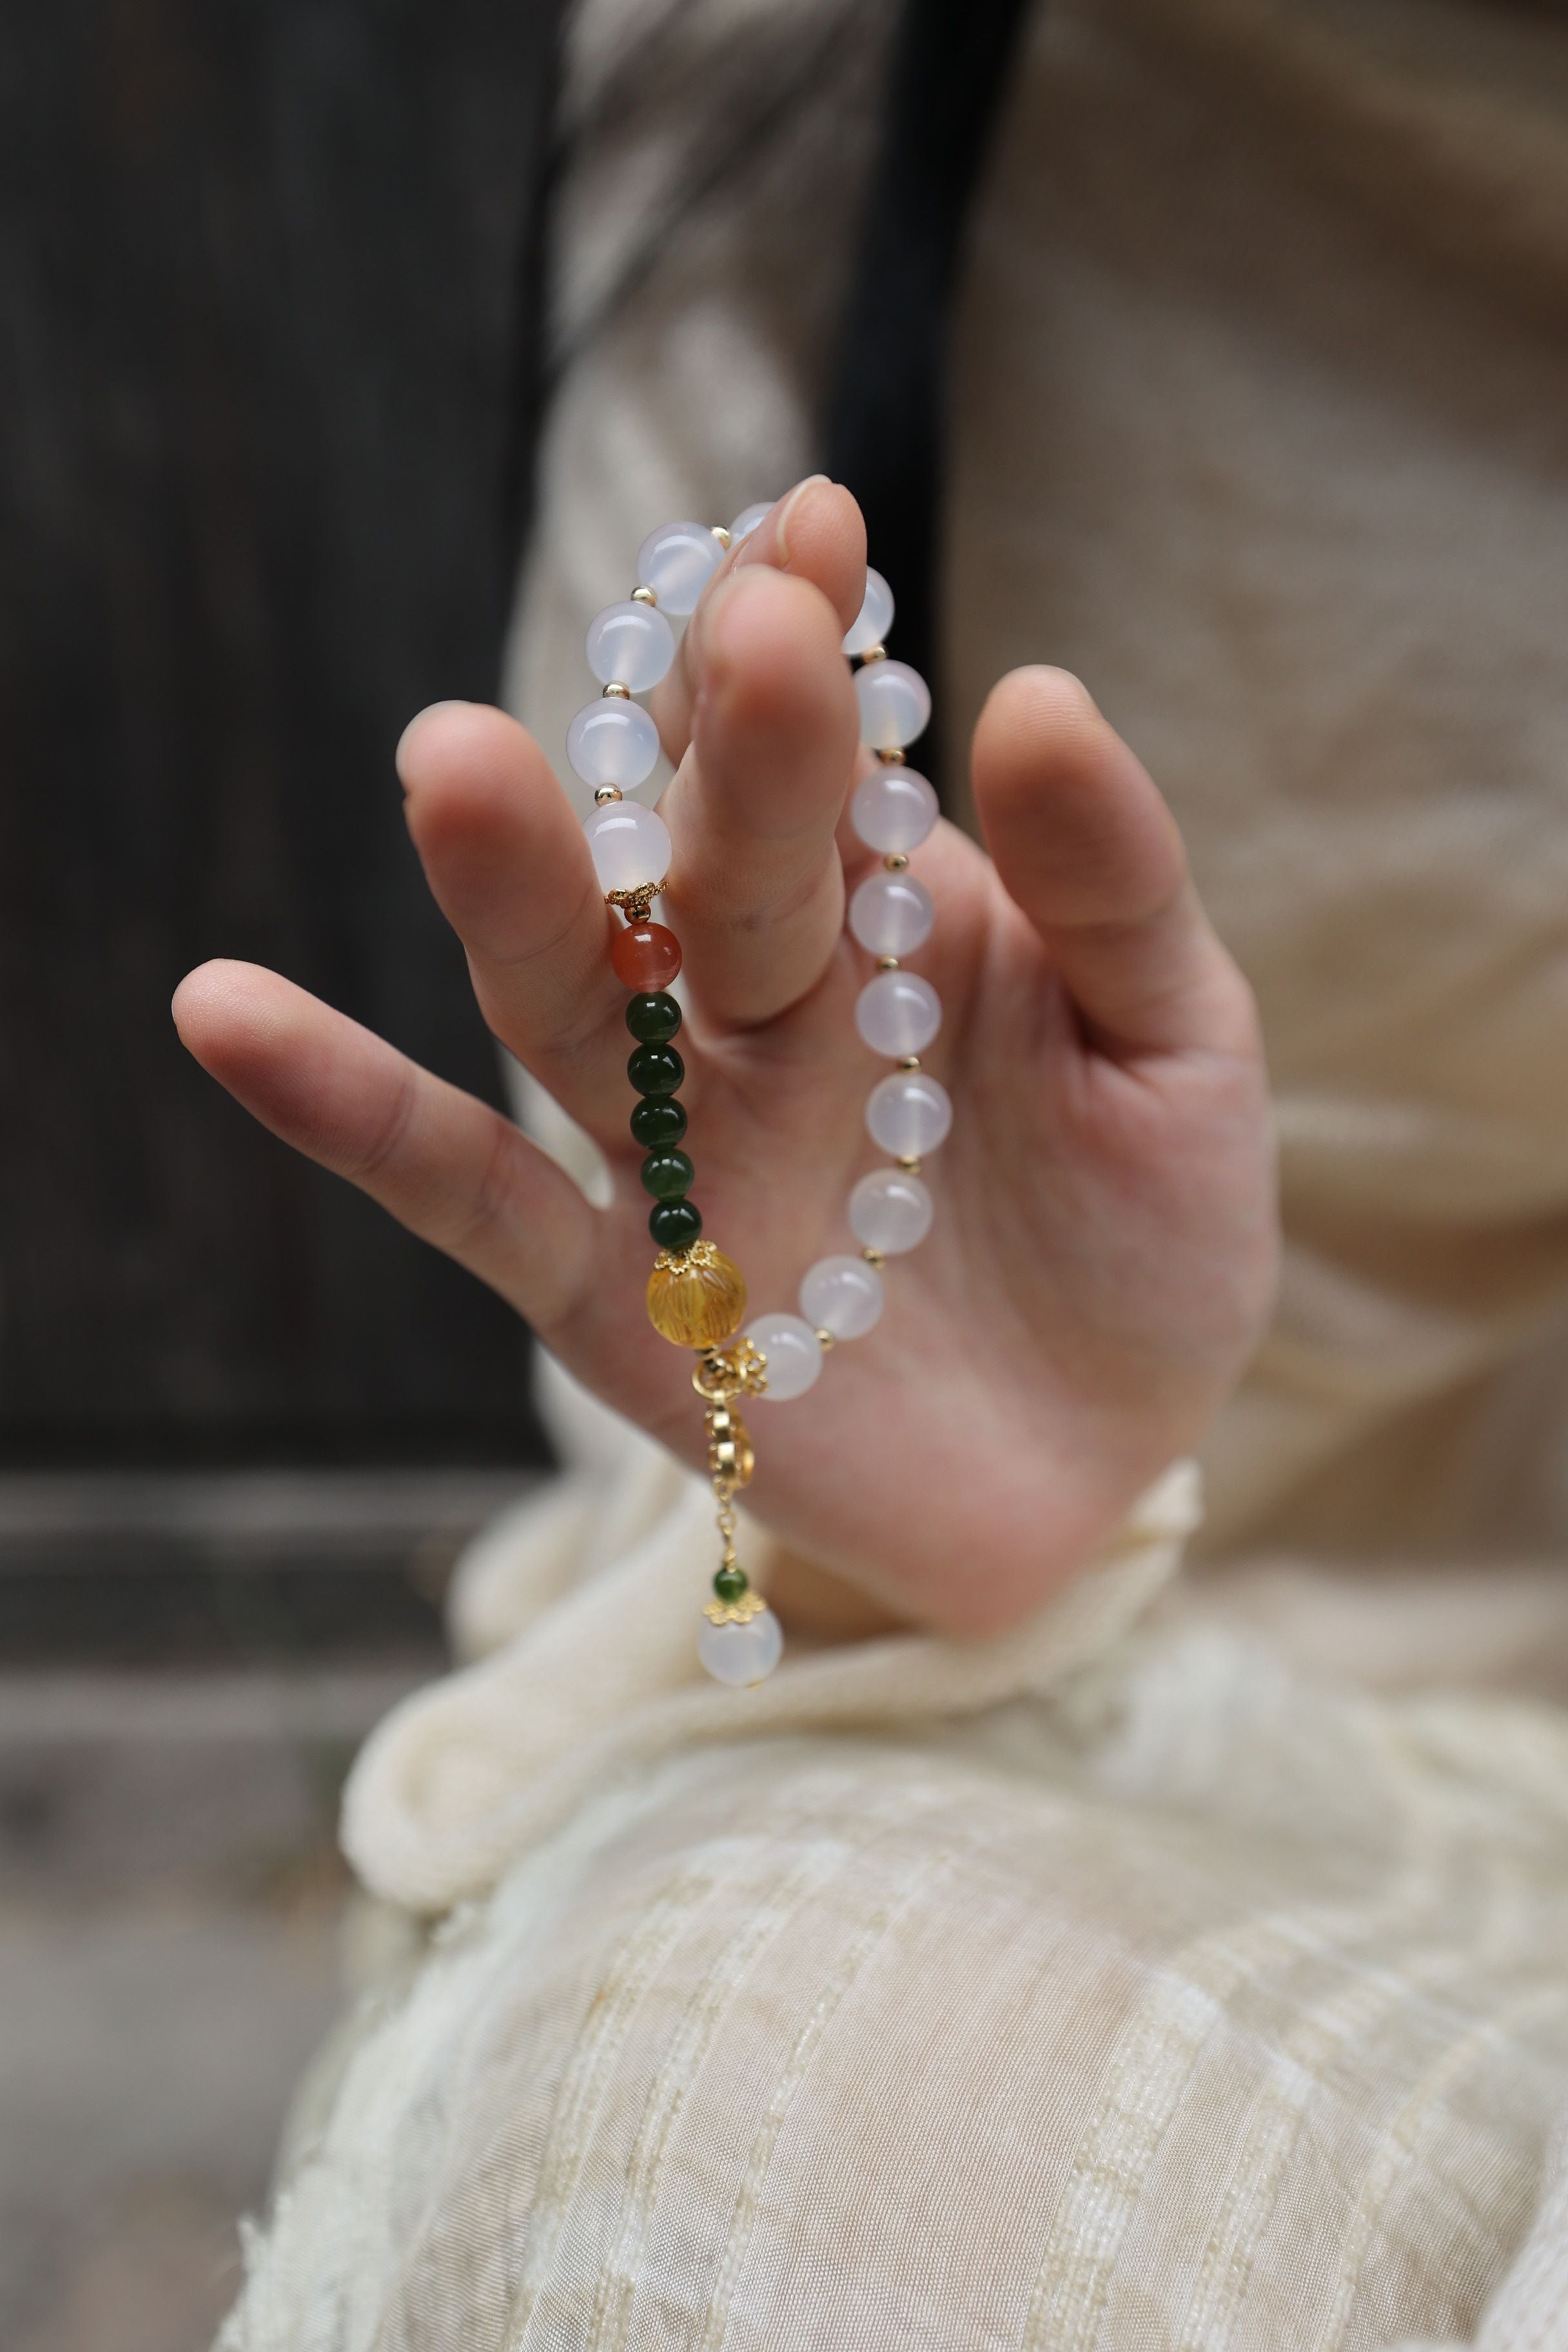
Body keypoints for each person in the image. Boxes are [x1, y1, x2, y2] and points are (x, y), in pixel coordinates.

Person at [177, 0, 1568, 2340]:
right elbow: (681, 1060)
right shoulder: (792, 79)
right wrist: (886, 1553)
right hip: (1114, 1679)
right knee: (725, 2141)